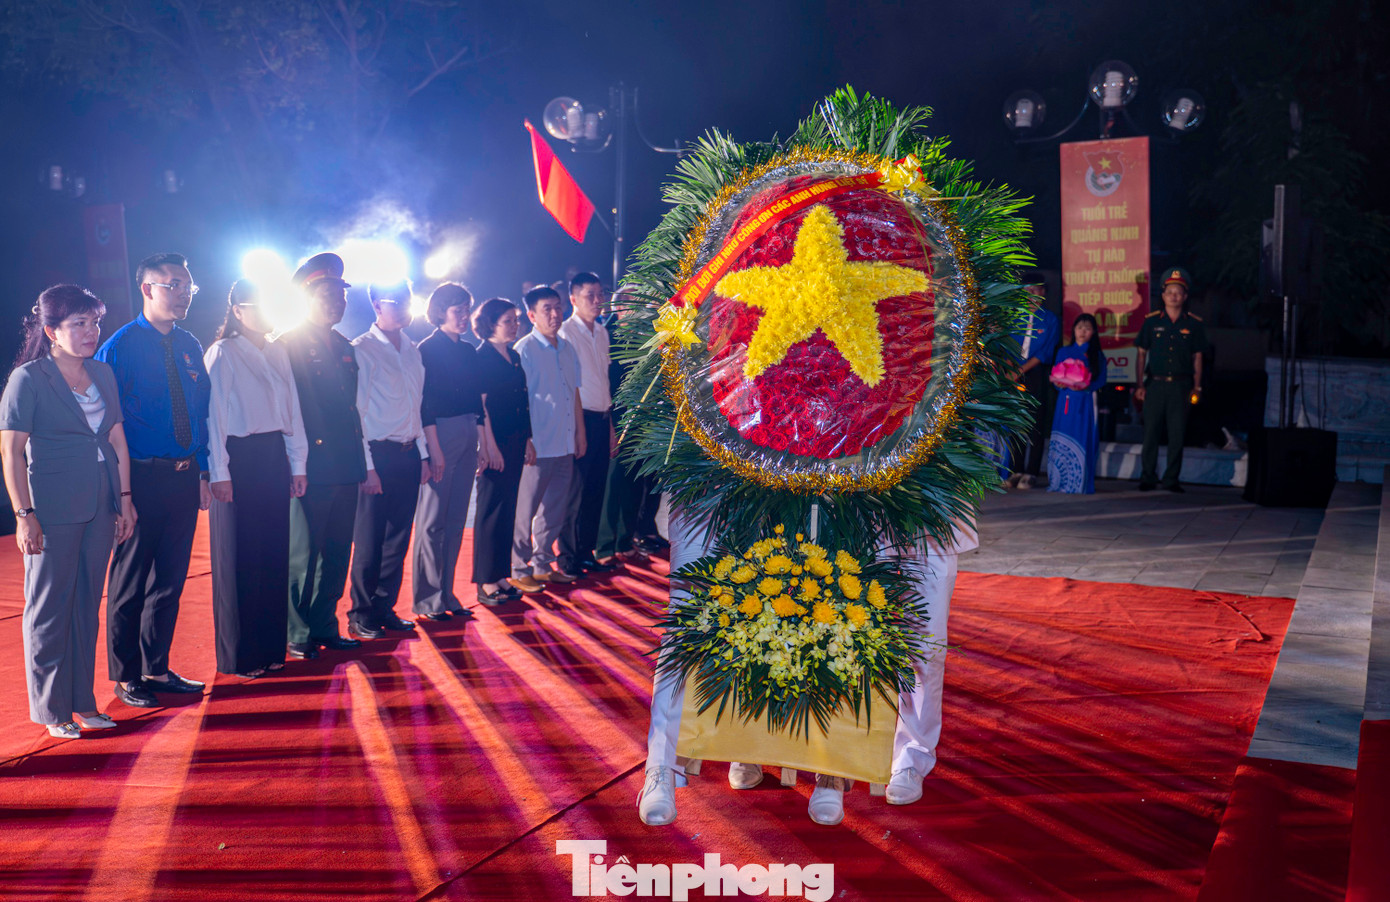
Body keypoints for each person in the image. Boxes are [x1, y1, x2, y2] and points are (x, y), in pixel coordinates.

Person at [637, 514, 975, 826]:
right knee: (726, 616)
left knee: (888, 632)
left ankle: (877, 762)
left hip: (898, 493)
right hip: (737, 479)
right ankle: (677, 763)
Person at [0, 286, 136, 738]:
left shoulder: (102, 372)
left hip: (101, 502)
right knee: (48, 609)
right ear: (50, 331)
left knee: (84, 606)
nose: (90, 331)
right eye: (78, 323)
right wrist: (24, 514)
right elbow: (11, 451)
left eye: (94, 322)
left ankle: (84, 701)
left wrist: (125, 500)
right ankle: (51, 709)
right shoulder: (29, 378)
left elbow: (117, 439)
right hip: (52, 508)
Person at [96, 252, 211, 708]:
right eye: (173, 285)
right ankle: (126, 676)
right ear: (147, 289)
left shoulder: (189, 345)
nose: (183, 293)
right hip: (139, 478)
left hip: (184, 478)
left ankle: (156, 666)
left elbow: (201, 412)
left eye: (188, 286)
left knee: (170, 580)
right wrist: (119, 492)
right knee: (129, 582)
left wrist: (202, 469)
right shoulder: (119, 347)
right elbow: (106, 422)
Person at [204, 280, 309, 677]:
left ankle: (270, 650)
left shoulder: (278, 350)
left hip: (272, 456)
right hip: (238, 458)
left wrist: (298, 465)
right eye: (257, 306)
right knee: (240, 557)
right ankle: (240, 656)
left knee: (271, 553)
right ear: (237, 311)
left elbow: (293, 412)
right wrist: (219, 471)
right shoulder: (223, 352)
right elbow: (213, 417)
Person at [278, 253, 366, 660]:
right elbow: (294, 410)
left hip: (345, 464)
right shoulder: (289, 345)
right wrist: (299, 464)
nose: (335, 301)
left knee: (336, 549)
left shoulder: (343, 346)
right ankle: (298, 632)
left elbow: (351, 411)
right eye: (326, 294)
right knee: (304, 552)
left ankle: (324, 624)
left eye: (339, 294)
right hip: (310, 466)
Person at [348, 280, 430, 638]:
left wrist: (424, 454)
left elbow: (418, 405)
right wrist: (366, 465)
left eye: (408, 300)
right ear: (376, 306)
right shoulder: (362, 349)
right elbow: (358, 412)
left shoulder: (412, 349)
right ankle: (360, 613)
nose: (404, 307)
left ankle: (385, 608)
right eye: (395, 301)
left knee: (398, 537)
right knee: (369, 540)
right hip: (376, 455)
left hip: (409, 452)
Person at [412, 283, 483, 621]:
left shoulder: (469, 351)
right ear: (440, 312)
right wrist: (433, 448)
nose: (464, 316)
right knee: (432, 521)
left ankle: (447, 592)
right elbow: (423, 404)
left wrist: (480, 440)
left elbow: (477, 402)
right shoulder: (425, 350)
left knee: (455, 519)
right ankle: (427, 600)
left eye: (467, 309)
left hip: (468, 430)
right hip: (439, 432)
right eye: (458, 309)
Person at [510, 286, 585, 594]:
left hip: (565, 441)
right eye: (546, 309)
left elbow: (574, 393)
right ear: (531, 315)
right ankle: (518, 567)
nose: (555, 314)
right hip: (538, 443)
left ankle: (542, 565)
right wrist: (526, 438)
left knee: (554, 509)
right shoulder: (523, 350)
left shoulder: (567, 348)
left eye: (557, 307)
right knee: (524, 510)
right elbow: (520, 399)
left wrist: (580, 433)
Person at [557, 273, 617, 578]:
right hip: (581, 419)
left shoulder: (602, 332)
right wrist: (579, 430)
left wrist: (610, 429)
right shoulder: (567, 333)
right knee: (575, 493)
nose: (597, 300)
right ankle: (568, 557)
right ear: (573, 299)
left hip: (602, 417)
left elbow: (604, 382)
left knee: (595, 491)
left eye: (600, 294)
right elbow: (571, 387)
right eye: (589, 295)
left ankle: (587, 552)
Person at [472, 298, 531, 604]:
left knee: (508, 509)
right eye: (508, 320)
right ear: (490, 323)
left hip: (516, 439)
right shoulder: (482, 357)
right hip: (495, 441)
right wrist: (489, 445)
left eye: (516, 320)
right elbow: (481, 406)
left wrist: (528, 439)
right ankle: (485, 581)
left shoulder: (513, 355)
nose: (514, 325)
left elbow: (523, 400)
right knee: (490, 511)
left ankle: (500, 575)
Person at [1134, 267, 1208, 492]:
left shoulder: (1194, 324)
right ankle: (1148, 476)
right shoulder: (1151, 322)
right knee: (1151, 433)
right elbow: (1141, 354)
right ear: (1163, 295)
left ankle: (1171, 479)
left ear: (1185, 297)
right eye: (1170, 291)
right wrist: (1139, 385)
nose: (1174, 296)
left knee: (1177, 435)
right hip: (1155, 384)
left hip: (1181, 385)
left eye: (1179, 292)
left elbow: (1198, 357)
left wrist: (1197, 386)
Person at [1046, 313, 1108, 495]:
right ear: (1073, 330)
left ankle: (1080, 482)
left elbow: (1101, 380)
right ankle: (1058, 480)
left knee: (1083, 436)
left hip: (1085, 401)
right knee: (1062, 434)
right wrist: (1059, 384)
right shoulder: (1063, 352)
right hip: (1065, 401)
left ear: (1094, 332)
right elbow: (1056, 377)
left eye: (1087, 328)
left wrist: (1085, 386)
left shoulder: (1096, 355)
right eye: (1080, 327)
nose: (1083, 331)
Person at [1009, 283, 1061, 488]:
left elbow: (1045, 352)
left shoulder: (1050, 319)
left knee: (1035, 424)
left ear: (1044, 292)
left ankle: (1031, 472)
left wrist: (1019, 371)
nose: (1032, 294)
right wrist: (1012, 370)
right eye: (1027, 290)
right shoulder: (1014, 318)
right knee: (1016, 422)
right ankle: (1016, 470)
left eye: (1036, 290)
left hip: (1036, 373)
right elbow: (1008, 346)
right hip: (1013, 373)